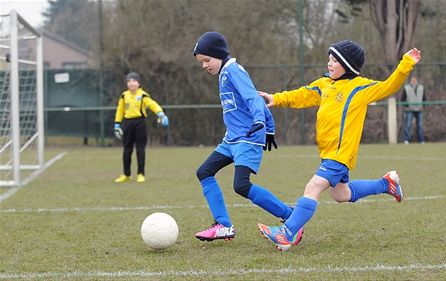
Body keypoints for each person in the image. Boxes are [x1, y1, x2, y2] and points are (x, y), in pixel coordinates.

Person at [257, 40, 421, 251]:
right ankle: (386, 184)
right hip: (328, 153)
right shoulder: (324, 84)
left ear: (348, 64)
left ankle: (287, 232)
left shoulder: (360, 87)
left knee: (313, 187)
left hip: (340, 154)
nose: (329, 63)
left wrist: (406, 63)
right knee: (341, 194)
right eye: (329, 59)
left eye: (335, 60)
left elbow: (390, 85)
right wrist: (276, 98)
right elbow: (302, 94)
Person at [192, 31, 303, 243]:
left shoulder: (234, 70)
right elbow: (255, 97)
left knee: (241, 185)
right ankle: (223, 225)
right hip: (231, 140)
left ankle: (291, 218)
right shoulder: (224, 73)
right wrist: (269, 127)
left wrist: (261, 123)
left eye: (207, 60)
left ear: (219, 54)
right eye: (201, 62)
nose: (205, 65)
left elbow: (253, 98)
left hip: (247, 137)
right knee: (204, 172)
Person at [113, 72, 169, 183]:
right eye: (129, 81)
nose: (131, 83)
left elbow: (152, 104)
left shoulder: (143, 95)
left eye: (134, 81)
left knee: (140, 149)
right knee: (127, 150)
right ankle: (126, 174)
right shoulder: (124, 96)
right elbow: (120, 110)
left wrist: (160, 113)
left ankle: (140, 174)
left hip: (140, 123)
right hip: (127, 123)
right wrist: (117, 124)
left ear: (138, 83)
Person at [401, 75, 426, 144]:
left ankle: (421, 140)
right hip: (410, 110)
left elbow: (424, 98)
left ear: (417, 80)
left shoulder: (421, 87)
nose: (414, 81)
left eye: (415, 80)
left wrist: (423, 106)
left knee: (420, 126)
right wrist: (407, 105)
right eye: (412, 80)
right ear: (410, 81)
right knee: (408, 125)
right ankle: (406, 140)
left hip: (419, 109)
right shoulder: (406, 88)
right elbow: (402, 99)